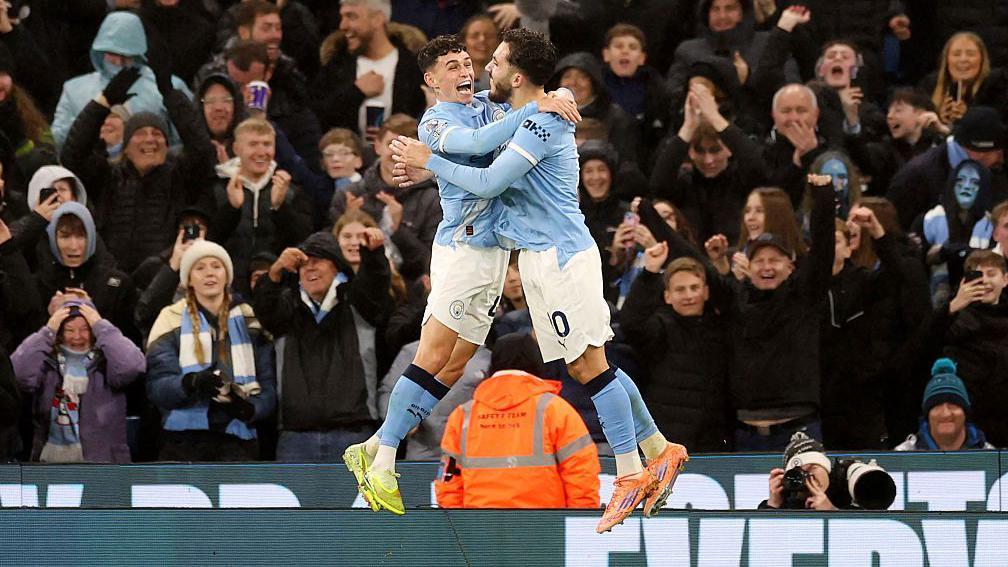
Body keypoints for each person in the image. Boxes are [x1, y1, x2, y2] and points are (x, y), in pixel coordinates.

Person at [391, 29, 688, 532]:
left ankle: (630, 472)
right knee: (587, 362)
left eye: (497, 63)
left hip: (561, 256)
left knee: (591, 366)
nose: (487, 70)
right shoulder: (524, 112)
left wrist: (429, 162)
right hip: (539, 260)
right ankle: (660, 448)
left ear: (518, 74)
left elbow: (488, 181)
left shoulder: (542, 123)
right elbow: (487, 139)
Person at [340, 34, 582, 516]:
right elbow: (478, 145)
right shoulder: (435, 123)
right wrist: (537, 108)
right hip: (461, 250)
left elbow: (525, 111)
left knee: (454, 365)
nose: (464, 71)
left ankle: (369, 447)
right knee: (432, 352)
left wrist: (556, 98)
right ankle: (385, 457)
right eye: (451, 66)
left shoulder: (490, 106)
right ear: (431, 81)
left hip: (494, 255)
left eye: (467, 62)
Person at [59, 63, 215, 274]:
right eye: (140, 133)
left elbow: (202, 151)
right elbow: (73, 155)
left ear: (168, 146)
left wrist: (170, 96)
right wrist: (103, 103)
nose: (150, 139)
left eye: (157, 133)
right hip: (112, 283)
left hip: (164, 281)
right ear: (126, 148)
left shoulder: (180, 176)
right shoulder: (108, 178)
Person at [252, 231, 390, 462]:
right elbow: (264, 306)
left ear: (336, 266)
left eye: (317, 261)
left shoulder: (357, 303)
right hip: (296, 437)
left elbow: (376, 284)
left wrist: (373, 253)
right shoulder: (287, 308)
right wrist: (275, 271)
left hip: (354, 433)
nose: (310, 269)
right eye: (303, 265)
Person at [435, 332, 601, 509]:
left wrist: (458, 529)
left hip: (479, 530)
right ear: (537, 362)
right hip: (544, 529)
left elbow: (448, 482)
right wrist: (579, 522)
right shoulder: (556, 410)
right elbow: (581, 473)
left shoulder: (463, 415)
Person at [146, 241, 276, 461]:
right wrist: (190, 383)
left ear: (227, 274)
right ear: (188, 280)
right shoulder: (170, 319)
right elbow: (157, 386)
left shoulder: (252, 319)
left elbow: (268, 384)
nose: (209, 273)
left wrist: (249, 409)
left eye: (216, 266)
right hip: (183, 442)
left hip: (239, 439)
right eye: (200, 268)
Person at [621, 244, 733, 453]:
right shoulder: (659, 328)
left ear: (706, 292)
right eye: (680, 289)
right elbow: (631, 324)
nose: (688, 295)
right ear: (667, 296)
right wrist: (649, 274)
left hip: (713, 442)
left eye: (694, 287)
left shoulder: (722, 328)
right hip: (668, 441)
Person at [11, 297, 144, 462]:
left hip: (105, 464)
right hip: (51, 465)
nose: (77, 336)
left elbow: (133, 366)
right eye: (69, 330)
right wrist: (47, 332)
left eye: (85, 329)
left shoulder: (107, 359)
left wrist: (101, 326)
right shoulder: (46, 362)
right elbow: (18, 374)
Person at [51, 10, 192, 148]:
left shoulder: (168, 87)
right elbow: (57, 140)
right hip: (89, 166)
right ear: (100, 52)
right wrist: (88, 123)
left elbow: (188, 139)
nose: (118, 61)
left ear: (138, 54)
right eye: (112, 53)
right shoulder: (74, 89)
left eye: (125, 55)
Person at [328, 114, 441, 281]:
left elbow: (430, 263)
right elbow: (331, 254)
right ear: (377, 147)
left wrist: (399, 231)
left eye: (405, 147)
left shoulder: (432, 199)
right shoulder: (348, 195)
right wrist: (349, 221)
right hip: (355, 284)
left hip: (410, 289)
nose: (397, 153)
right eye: (391, 144)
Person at [650, 81, 765, 243]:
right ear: (690, 152)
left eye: (715, 150)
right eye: (700, 151)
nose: (708, 160)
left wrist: (714, 117)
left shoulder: (743, 180)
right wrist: (688, 127)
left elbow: (758, 167)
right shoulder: (684, 183)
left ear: (729, 149)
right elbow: (658, 185)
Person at [211, 117, 313, 292]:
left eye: (267, 144)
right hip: (227, 288)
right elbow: (203, 239)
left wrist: (280, 208)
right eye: (253, 144)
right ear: (236, 149)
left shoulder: (291, 190)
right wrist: (231, 209)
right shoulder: (215, 188)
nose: (261, 151)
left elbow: (305, 241)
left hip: (279, 289)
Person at [310, 0, 425, 138]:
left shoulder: (415, 69)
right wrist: (356, 92)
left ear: (378, 19)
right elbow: (316, 119)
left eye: (351, 16)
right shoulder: (334, 68)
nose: (343, 25)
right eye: (342, 17)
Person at [932, 250, 1008, 447]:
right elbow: (923, 347)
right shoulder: (953, 318)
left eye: (991, 274)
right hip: (970, 425)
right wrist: (953, 307)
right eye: (977, 275)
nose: (985, 282)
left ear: (1005, 279)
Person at [887, 105, 1006, 231]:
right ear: (980, 152)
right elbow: (895, 233)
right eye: (998, 153)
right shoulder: (916, 177)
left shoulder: (991, 172)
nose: (1001, 159)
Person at [35, 203, 138, 344]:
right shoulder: (39, 285)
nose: (73, 246)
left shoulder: (117, 285)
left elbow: (131, 350)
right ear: (53, 238)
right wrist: (49, 318)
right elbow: (25, 353)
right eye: (65, 237)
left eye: (81, 236)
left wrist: (94, 315)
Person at [916, 160, 994, 305]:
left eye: (974, 183)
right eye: (960, 180)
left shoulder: (992, 225)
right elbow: (915, 261)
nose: (966, 186)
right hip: (932, 298)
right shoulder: (929, 219)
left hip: (978, 301)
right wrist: (943, 252)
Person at [548, 52, 641, 167]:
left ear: (594, 82)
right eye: (567, 76)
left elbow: (626, 163)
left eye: (582, 77)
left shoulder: (616, 117)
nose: (573, 83)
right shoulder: (546, 117)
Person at [895, 358, 996, 451]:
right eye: (937, 406)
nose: (946, 414)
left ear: (965, 413)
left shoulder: (991, 457)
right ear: (928, 415)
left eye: (953, 405)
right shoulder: (901, 456)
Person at [600, 23, 670, 154]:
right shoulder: (596, 84)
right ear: (606, 55)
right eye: (618, 46)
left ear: (642, 58)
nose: (625, 51)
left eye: (632, 47)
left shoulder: (656, 88)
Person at [921, 32, 1008, 127]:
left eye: (971, 54)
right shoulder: (930, 84)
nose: (963, 59)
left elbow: (999, 129)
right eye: (956, 54)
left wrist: (969, 116)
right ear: (947, 60)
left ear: (982, 60)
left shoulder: (998, 86)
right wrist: (939, 119)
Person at [760, 431, 836, 510]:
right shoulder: (787, 502)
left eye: (813, 468)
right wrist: (772, 505)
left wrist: (831, 510)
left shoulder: (846, 490)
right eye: (799, 473)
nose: (808, 478)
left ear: (826, 468)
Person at [460, 14, 499, 92]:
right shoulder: (451, 78)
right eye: (475, 36)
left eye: (489, 36)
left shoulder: (507, 81)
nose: (482, 40)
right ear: (463, 42)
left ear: (498, 42)